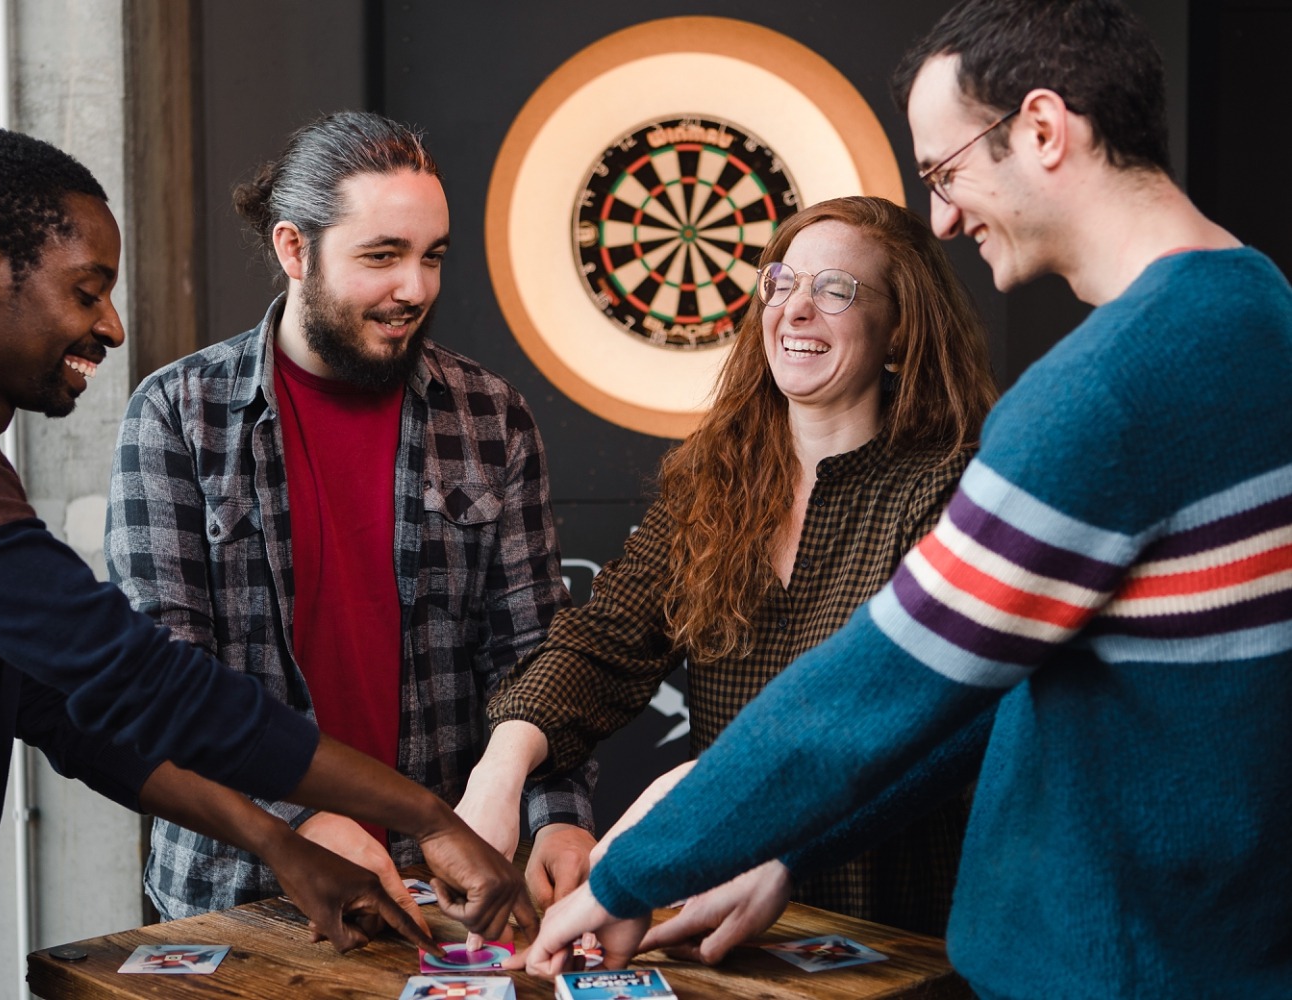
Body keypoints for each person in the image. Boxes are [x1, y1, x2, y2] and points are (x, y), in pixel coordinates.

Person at [516, 1, 1292, 996]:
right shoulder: (1259, 307)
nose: (945, 218)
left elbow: (886, 690)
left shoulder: (1097, 394)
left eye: (945, 171)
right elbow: (986, 690)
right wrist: (781, 847)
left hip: (1113, 966)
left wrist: (628, 871)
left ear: (1045, 130)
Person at [0, 126, 537, 1000]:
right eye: (87, 290)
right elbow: (145, 678)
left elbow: (70, 711)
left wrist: (279, 845)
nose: (109, 325)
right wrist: (427, 814)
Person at [458, 194, 997, 939]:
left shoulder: (953, 487)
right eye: (782, 283)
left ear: (899, 330)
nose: (797, 309)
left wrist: (688, 802)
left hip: (895, 926)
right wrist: (500, 767)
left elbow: (908, 721)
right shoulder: (716, 478)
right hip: (718, 921)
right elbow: (602, 644)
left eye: (836, 290)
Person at [105, 111, 596, 923]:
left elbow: (533, 657)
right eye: (382, 256)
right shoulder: (179, 415)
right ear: (294, 250)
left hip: (449, 892)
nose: (415, 288)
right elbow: (167, 682)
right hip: (240, 891)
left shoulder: (490, 417)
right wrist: (301, 820)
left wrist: (558, 818)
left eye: (432, 256)